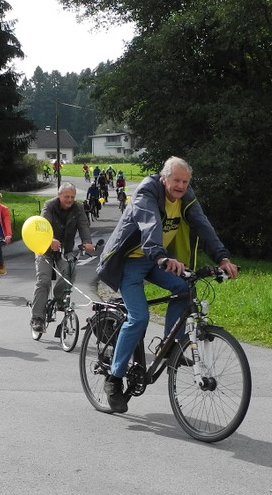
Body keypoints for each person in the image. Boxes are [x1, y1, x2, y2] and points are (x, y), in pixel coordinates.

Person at [95, 157, 238, 413]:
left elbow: (202, 225)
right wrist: (160, 255)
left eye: (185, 181)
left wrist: (223, 258)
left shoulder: (186, 197)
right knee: (139, 318)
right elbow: (150, 223)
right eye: (176, 181)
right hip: (131, 261)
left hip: (157, 259)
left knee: (184, 289)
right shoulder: (147, 192)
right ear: (164, 179)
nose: (181, 186)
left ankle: (171, 345)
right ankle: (114, 379)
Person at [30, 183, 94, 337]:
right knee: (43, 281)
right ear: (59, 195)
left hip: (65, 250)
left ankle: (59, 298)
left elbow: (84, 226)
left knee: (70, 272)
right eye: (67, 196)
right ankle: (37, 318)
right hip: (44, 248)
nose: (70, 199)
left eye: (72, 197)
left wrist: (87, 242)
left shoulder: (78, 209)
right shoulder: (49, 206)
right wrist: (50, 239)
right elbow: (42, 225)